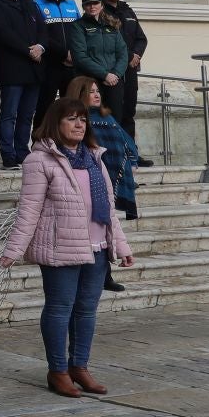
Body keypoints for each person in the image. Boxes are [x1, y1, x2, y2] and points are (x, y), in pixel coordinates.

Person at [0, 97, 135, 399]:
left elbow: (109, 209)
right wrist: (14, 249)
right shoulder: (40, 160)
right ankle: (57, 371)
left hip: (97, 247)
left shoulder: (94, 157)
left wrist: (121, 245)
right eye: (71, 119)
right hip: (61, 246)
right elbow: (29, 208)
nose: (78, 124)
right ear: (56, 123)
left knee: (86, 310)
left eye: (82, 119)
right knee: (60, 309)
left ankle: (80, 367)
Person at [67, 75, 138, 293]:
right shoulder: (80, 122)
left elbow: (127, 143)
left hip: (112, 179)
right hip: (89, 179)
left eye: (98, 91)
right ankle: (96, 275)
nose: (97, 95)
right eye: (91, 91)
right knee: (94, 229)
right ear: (79, 95)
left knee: (106, 227)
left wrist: (131, 161)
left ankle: (105, 274)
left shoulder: (107, 118)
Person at [0, 0, 48, 170]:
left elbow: (43, 29)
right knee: (9, 113)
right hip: (12, 68)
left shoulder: (30, 4)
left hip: (33, 68)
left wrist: (40, 46)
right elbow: (3, 35)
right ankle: (8, 155)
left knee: (27, 114)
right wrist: (28, 50)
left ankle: (23, 152)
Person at [98, 0, 150, 160]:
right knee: (114, 112)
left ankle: (131, 152)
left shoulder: (127, 11)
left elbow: (141, 38)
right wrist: (128, 56)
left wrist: (136, 55)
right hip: (113, 70)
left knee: (129, 111)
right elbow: (107, 41)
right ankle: (116, 153)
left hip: (131, 69)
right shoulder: (100, 12)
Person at [69, 0, 130, 120]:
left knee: (115, 119)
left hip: (113, 81)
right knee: (91, 120)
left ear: (101, 5)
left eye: (95, 3)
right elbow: (80, 57)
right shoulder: (78, 26)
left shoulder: (111, 25)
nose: (92, 7)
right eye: (88, 4)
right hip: (90, 81)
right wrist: (105, 75)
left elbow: (123, 53)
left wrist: (115, 74)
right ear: (83, 7)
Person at [33, 0, 80, 125]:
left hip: (71, 65)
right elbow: (41, 34)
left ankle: (67, 146)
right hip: (49, 65)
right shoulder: (35, 4)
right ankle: (39, 146)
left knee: (71, 109)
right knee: (44, 109)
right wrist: (63, 54)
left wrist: (74, 53)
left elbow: (78, 32)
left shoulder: (70, 3)